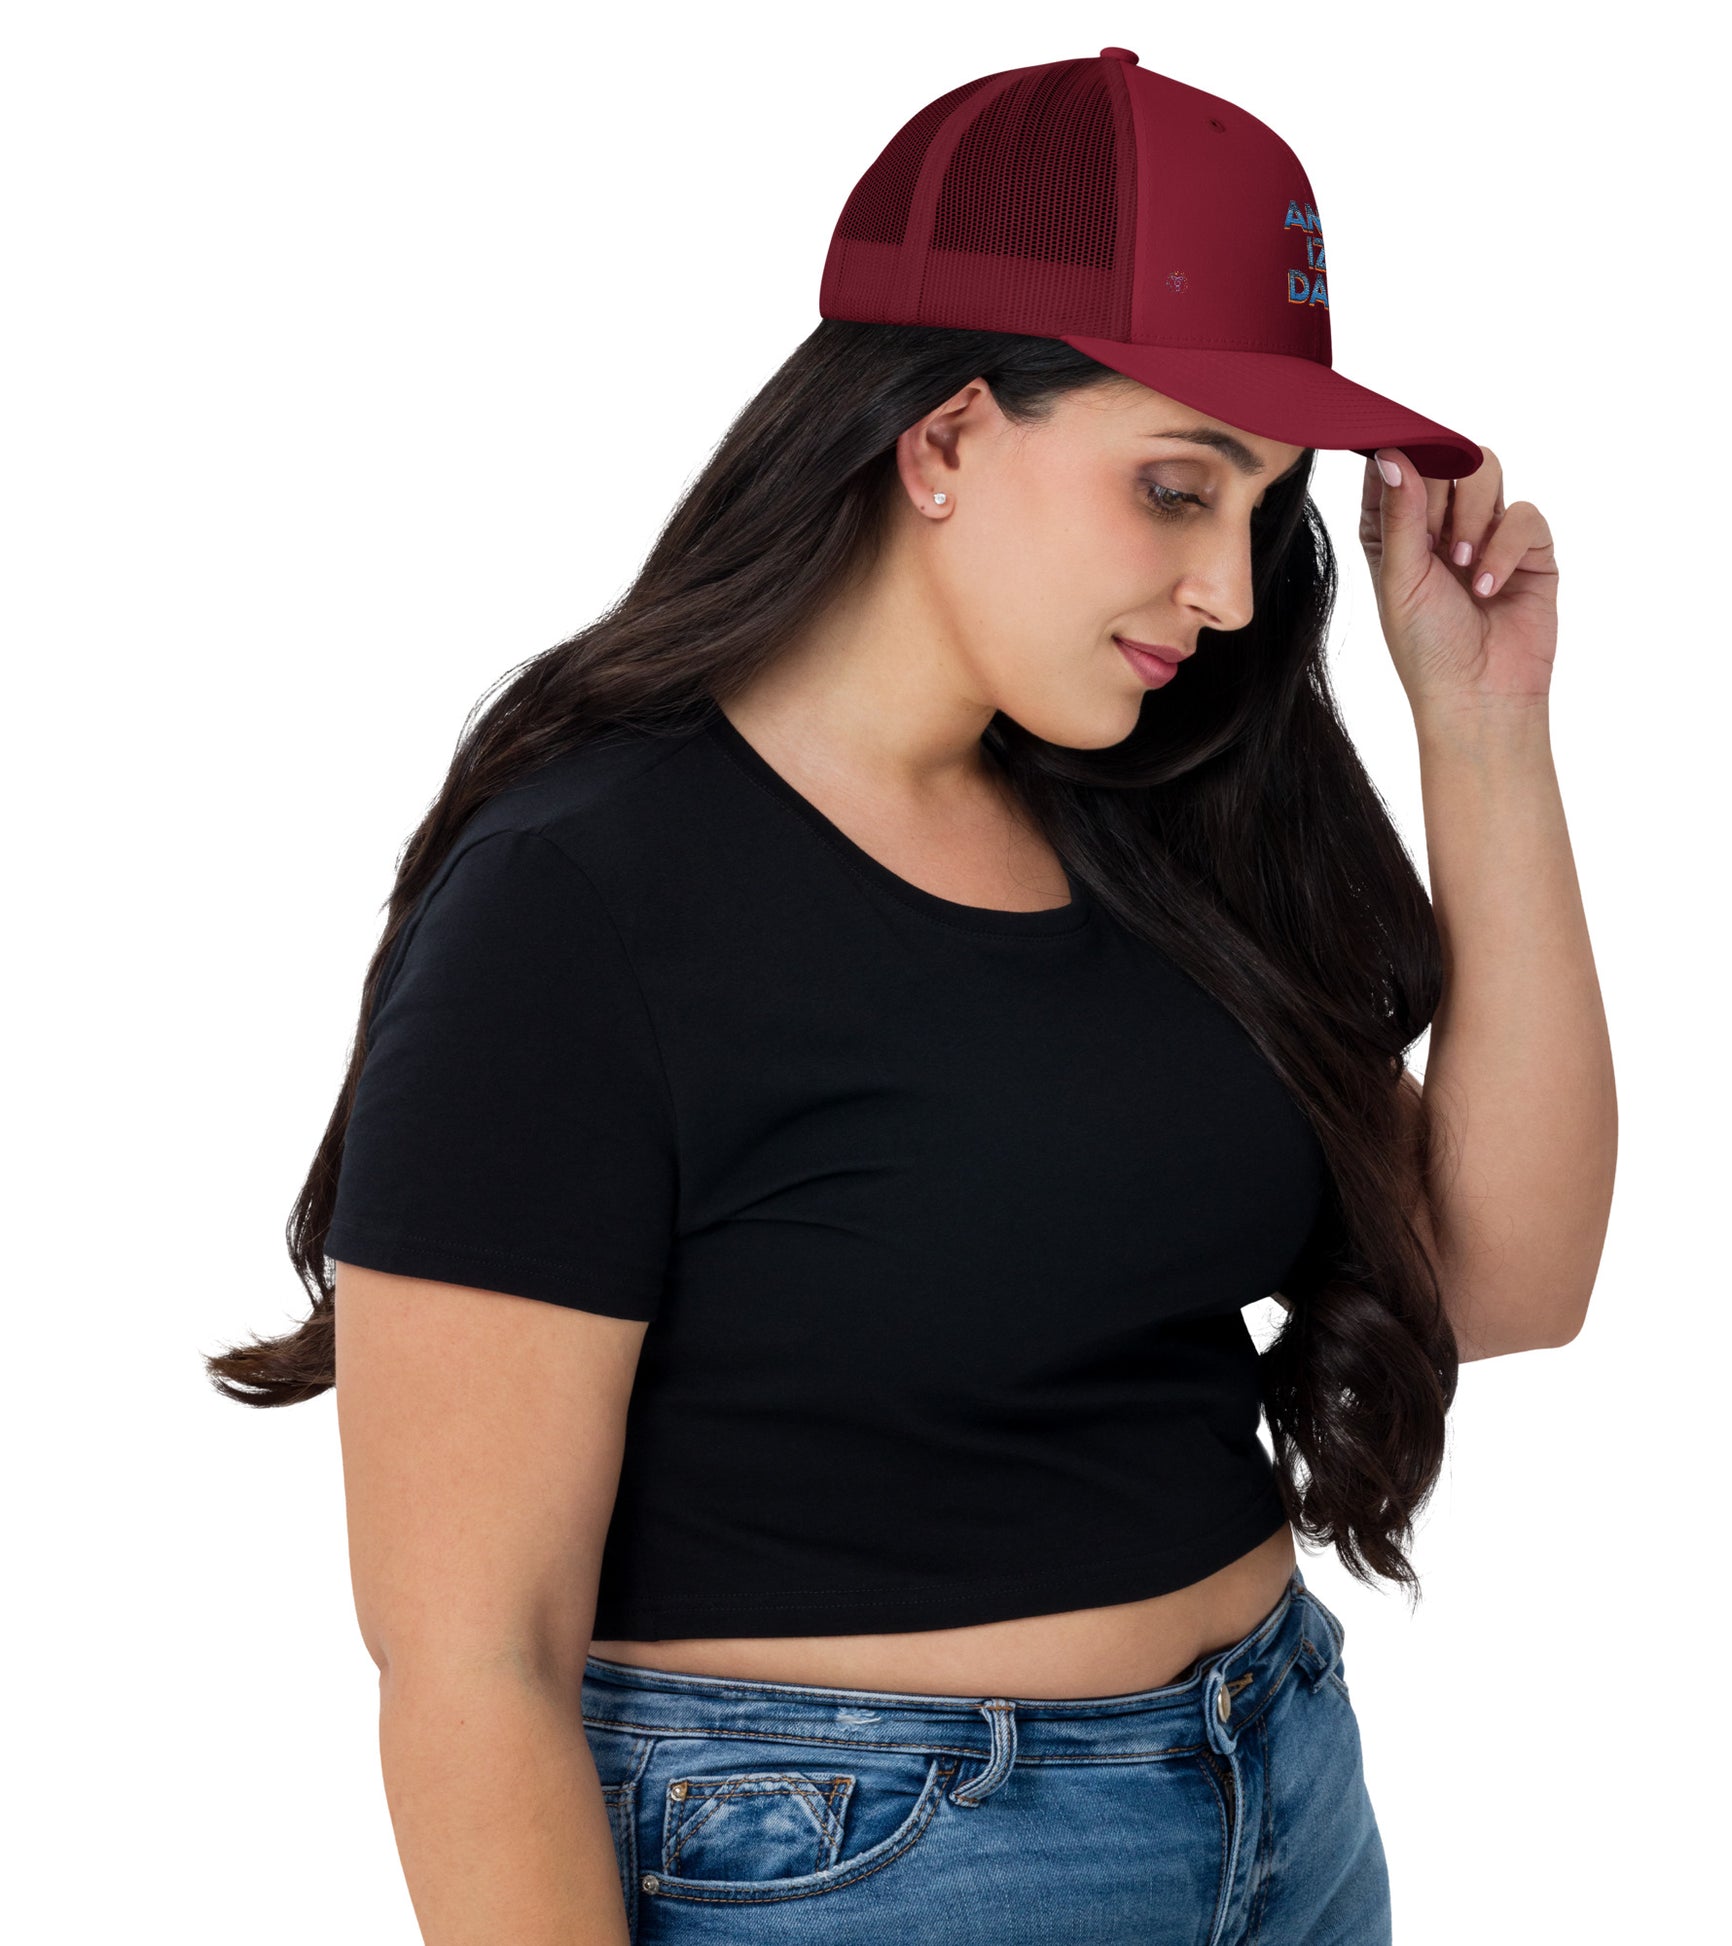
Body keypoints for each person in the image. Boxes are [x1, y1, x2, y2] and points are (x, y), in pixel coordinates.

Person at [207, 45, 1614, 1946]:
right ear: (939, 439)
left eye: (1260, 506)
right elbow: (472, 1660)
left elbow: (1507, 1280)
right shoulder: (582, 895)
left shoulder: (1162, 812)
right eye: (1173, 487)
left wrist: (1484, 727)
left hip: (1280, 1792)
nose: (1224, 586)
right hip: (869, 1869)